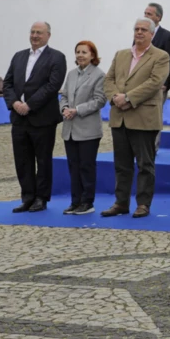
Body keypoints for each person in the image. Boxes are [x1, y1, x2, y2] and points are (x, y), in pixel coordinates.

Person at [101, 18, 170, 218]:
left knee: (144, 165)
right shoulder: (121, 54)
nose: (139, 32)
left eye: (143, 30)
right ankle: (121, 202)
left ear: (151, 34)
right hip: (119, 117)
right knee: (121, 165)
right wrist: (115, 97)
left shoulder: (161, 56)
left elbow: (155, 82)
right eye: (136, 29)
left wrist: (129, 98)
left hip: (143, 118)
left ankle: (143, 204)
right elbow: (109, 79)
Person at [3, 22, 67, 213]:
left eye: (39, 32)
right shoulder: (19, 56)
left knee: (43, 160)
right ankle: (27, 197)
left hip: (42, 118)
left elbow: (52, 86)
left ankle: (41, 198)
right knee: (22, 160)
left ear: (48, 35)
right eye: (32, 32)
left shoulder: (56, 57)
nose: (35, 36)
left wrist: (29, 105)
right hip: (19, 118)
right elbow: (7, 83)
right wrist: (15, 103)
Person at [60, 41, 106, 216]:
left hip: (88, 129)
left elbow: (99, 100)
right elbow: (64, 95)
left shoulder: (99, 75)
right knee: (73, 166)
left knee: (86, 166)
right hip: (70, 129)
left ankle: (87, 202)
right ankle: (75, 201)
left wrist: (77, 110)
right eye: (77, 52)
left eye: (84, 52)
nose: (80, 55)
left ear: (92, 55)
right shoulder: (71, 74)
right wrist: (64, 108)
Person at [144, 3, 170, 97]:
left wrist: (166, 83)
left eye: (149, 14)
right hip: (141, 81)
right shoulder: (140, 33)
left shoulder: (167, 36)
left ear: (158, 17)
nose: (145, 16)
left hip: (158, 83)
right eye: (145, 13)